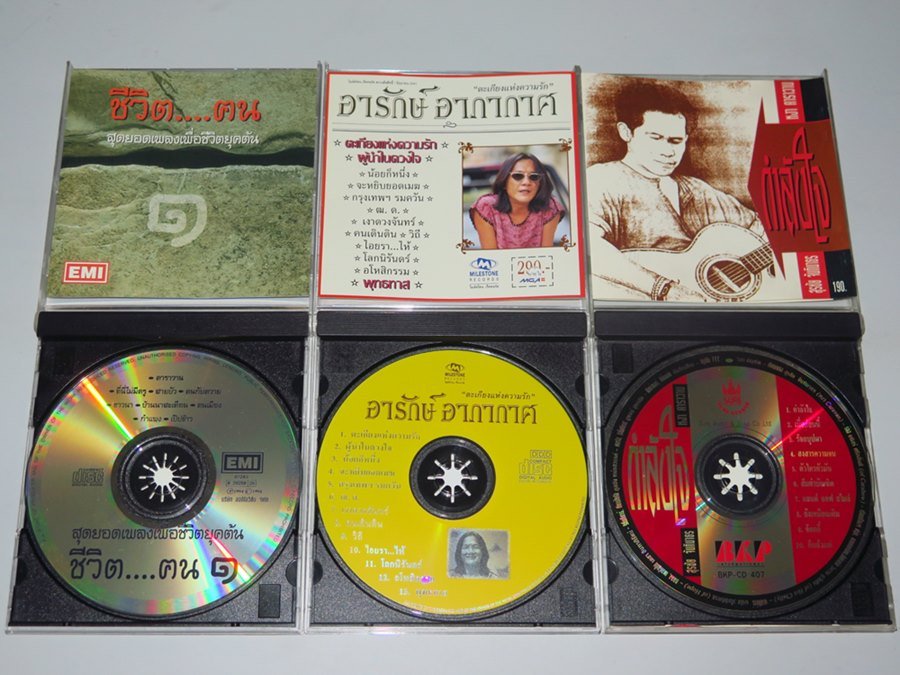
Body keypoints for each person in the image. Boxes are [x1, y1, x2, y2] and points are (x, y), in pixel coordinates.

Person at [587, 80, 767, 301]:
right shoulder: (602, 179)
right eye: (655, 138)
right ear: (626, 132)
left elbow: (761, 230)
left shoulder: (698, 191)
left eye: (676, 141)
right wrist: (663, 289)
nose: (668, 151)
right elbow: (587, 247)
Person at [470, 152, 564, 249]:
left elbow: (546, 254)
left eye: (534, 176)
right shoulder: (486, 208)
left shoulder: (550, 208)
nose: (526, 182)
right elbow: (491, 257)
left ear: (540, 184)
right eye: (518, 176)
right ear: (504, 182)